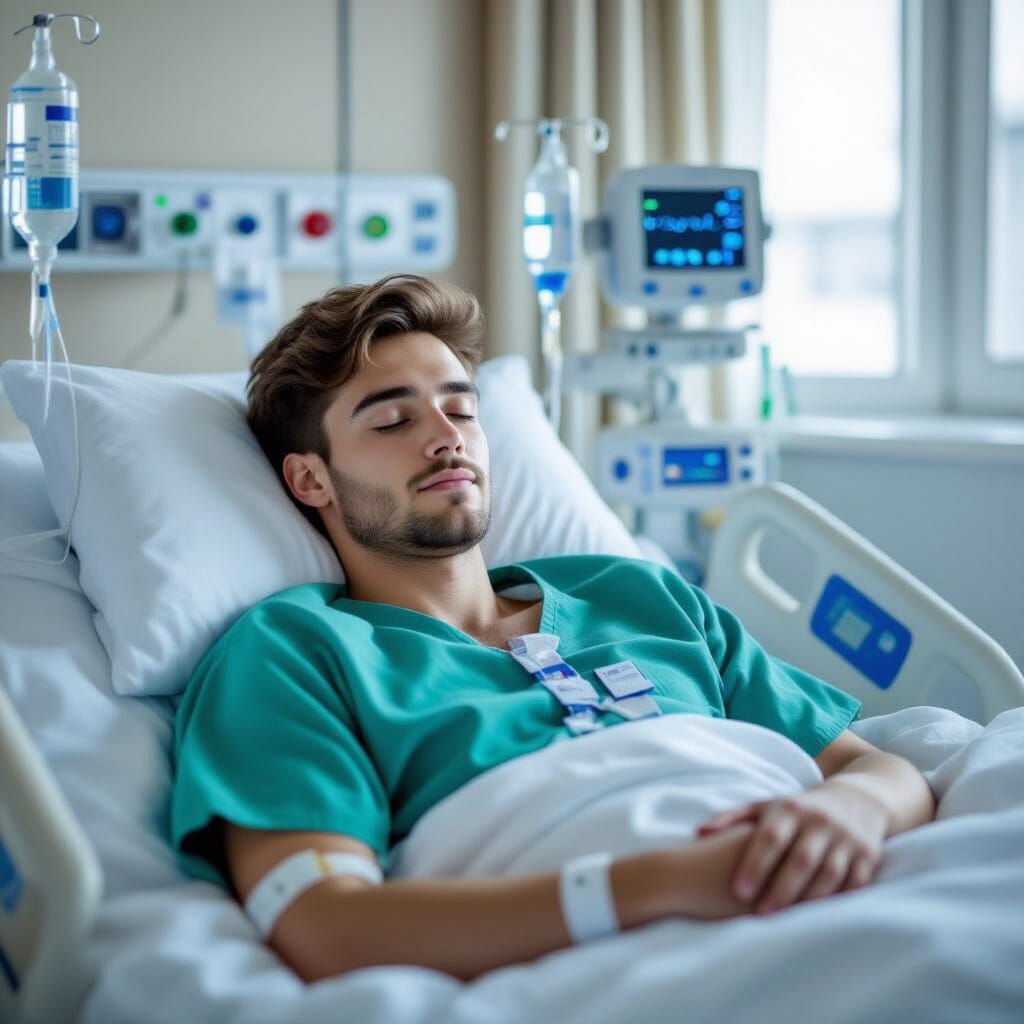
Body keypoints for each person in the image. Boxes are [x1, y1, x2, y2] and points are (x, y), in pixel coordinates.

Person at [170, 274, 936, 985]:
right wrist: (667, 883)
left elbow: (878, 769)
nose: (447, 437)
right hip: (639, 954)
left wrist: (849, 809)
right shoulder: (294, 651)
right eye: (395, 419)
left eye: (462, 410)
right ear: (310, 478)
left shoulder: (640, 592)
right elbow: (325, 925)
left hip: (847, 890)